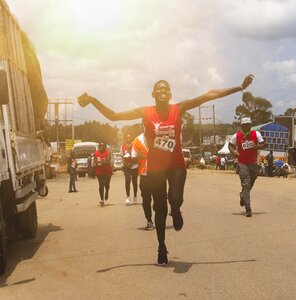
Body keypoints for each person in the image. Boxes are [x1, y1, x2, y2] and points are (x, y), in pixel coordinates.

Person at [78, 74, 254, 265]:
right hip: (156, 169)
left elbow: (209, 95)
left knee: (175, 198)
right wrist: (92, 100)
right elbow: (114, 116)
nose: (163, 91)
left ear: (170, 94)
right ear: (153, 94)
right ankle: (161, 246)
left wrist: (239, 87)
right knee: (160, 210)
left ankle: (176, 209)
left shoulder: (178, 108)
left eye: (166, 88)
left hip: (176, 164)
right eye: (159, 89)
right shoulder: (146, 112)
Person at [228, 117, 266, 217]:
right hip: (242, 163)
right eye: (244, 125)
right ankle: (248, 208)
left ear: (250, 125)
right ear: (241, 126)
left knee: (251, 183)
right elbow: (230, 145)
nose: (246, 127)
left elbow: (263, 145)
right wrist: (234, 152)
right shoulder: (237, 136)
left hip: (253, 163)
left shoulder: (256, 134)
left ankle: (242, 195)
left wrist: (256, 146)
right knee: (246, 184)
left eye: (248, 125)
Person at [132, 132, 154, 230]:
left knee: (159, 201)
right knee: (146, 200)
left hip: (157, 174)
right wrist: (138, 157)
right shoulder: (137, 140)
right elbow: (132, 157)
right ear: (143, 125)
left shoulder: (159, 135)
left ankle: (158, 214)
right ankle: (149, 220)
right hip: (144, 175)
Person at [121, 134, 139, 205]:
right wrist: (125, 163)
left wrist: (133, 162)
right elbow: (122, 156)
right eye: (127, 138)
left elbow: (137, 156)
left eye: (130, 138)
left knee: (134, 181)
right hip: (127, 167)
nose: (128, 139)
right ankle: (128, 197)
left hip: (134, 166)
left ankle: (135, 196)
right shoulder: (122, 146)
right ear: (125, 139)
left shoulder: (135, 145)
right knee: (127, 180)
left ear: (132, 138)